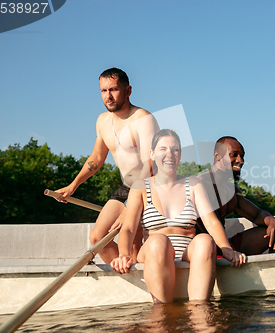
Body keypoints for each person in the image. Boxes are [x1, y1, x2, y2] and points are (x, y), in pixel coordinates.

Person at [110, 129, 246, 303]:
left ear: (180, 155)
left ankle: (199, 310)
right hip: (154, 252)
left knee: (205, 240)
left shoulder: (194, 184)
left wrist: (227, 248)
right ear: (152, 154)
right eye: (163, 149)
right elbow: (128, 228)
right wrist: (123, 254)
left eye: (175, 149)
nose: (170, 154)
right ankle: (162, 310)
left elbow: (211, 223)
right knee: (160, 241)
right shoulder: (140, 187)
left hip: (186, 253)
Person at [55, 68, 159, 264]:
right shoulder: (102, 121)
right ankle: (125, 275)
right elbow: (96, 157)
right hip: (126, 187)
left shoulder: (143, 118)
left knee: (134, 243)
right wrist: (73, 185)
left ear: (128, 91)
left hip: (149, 187)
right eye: (103, 91)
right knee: (97, 238)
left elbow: (151, 165)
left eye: (113, 90)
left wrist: (131, 207)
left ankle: (142, 275)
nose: (108, 96)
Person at [195, 136, 275, 255]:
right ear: (217, 155)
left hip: (224, 246)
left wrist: (272, 220)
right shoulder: (201, 185)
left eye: (242, 156)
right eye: (234, 155)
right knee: (209, 245)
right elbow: (207, 225)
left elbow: (257, 215)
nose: (240, 160)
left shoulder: (232, 190)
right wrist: (229, 250)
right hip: (203, 249)